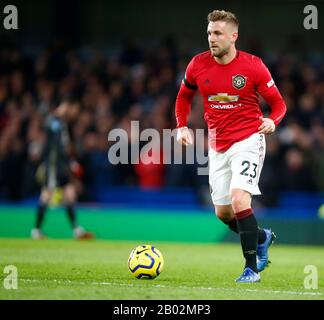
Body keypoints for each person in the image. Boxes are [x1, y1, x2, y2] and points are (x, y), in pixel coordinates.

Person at [175, 10, 286, 282]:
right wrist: (181, 125)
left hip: (248, 139)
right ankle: (262, 237)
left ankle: (251, 269)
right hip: (218, 145)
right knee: (223, 212)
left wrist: (272, 121)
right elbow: (183, 97)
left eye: (218, 33)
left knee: (239, 200)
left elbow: (279, 104)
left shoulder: (253, 66)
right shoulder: (197, 65)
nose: (212, 39)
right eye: (210, 33)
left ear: (233, 36)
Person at [31, 99, 94, 240]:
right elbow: (49, 130)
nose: (75, 113)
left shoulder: (65, 125)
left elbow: (65, 149)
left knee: (70, 195)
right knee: (46, 196)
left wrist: (71, 163)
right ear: (66, 107)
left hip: (62, 167)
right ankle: (36, 230)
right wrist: (57, 113)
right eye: (74, 110)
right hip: (52, 167)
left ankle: (77, 230)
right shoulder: (55, 122)